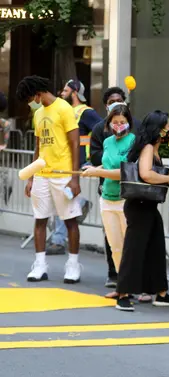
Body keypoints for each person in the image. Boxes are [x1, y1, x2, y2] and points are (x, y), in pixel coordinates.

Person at [17, 76, 83, 284]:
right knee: (40, 219)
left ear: (37, 93)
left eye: (30, 98)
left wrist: (75, 177)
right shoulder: (38, 114)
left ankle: (73, 265)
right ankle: (40, 265)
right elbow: (38, 147)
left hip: (62, 174)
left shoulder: (64, 108)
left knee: (70, 220)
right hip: (41, 175)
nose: (30, 102)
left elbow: (75, 143)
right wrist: (30, 177)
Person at [114, 111, 169, 311]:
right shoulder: (148, 148)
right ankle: (123, 294)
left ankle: (160, 292)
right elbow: (146, 174)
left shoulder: (152, 147)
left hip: (147, 206)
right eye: (166, 126)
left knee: (155, 248)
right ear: (158, 129)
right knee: (133, 250)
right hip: (140, 205)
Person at [80, 105, 134, 297]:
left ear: (129, 122)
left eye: (122, 122)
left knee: (130, 246)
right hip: (107, 199)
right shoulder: (108, 142)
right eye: (115, 122)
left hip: (125, 200)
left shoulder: (133, 141)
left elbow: (125, 171)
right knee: (115, 246)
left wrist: (98, 171)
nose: (119, 125)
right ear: (109, 123)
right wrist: (93, 169)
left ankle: (137, 285)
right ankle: (123, 288)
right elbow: (108, 164)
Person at [47, 79, 100, 256]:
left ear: (75, 93)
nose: (62, 93)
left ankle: (58, 241)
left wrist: (95, 157)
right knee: (62, 199)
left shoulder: (86, 113)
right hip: (63, 162)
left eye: (65, 90)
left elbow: (103, 131)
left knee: (64, 198)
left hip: (76, 164)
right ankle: (82, 204)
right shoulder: (63, 111)